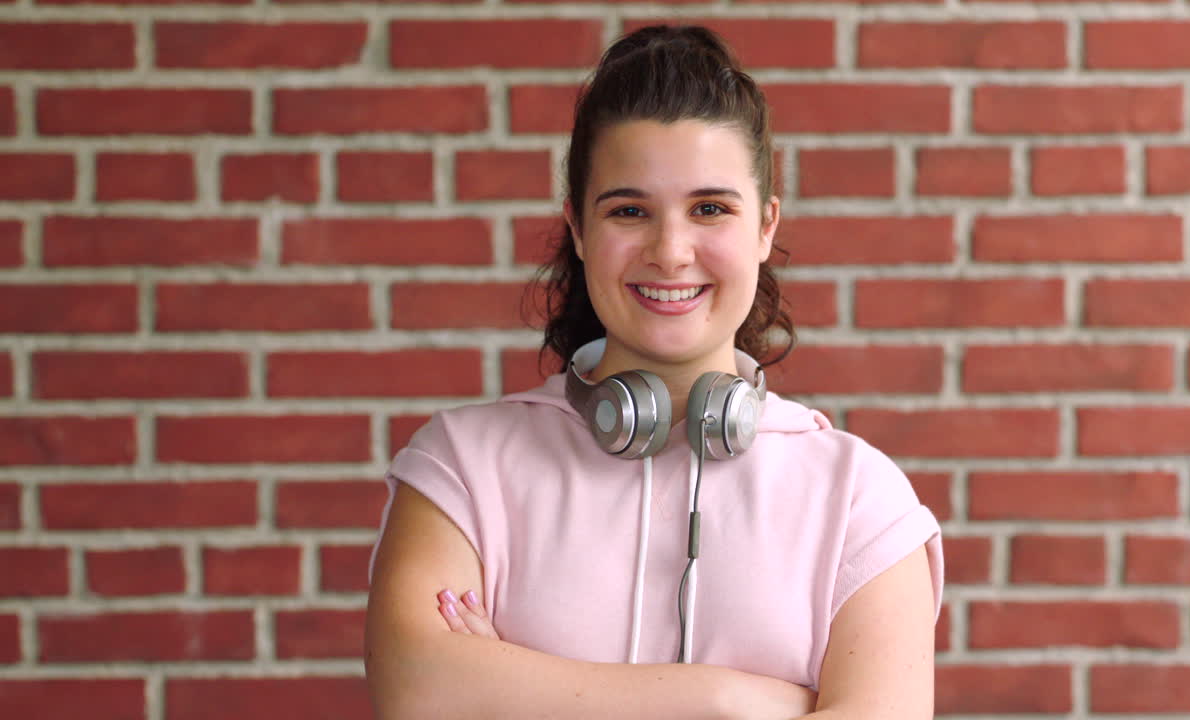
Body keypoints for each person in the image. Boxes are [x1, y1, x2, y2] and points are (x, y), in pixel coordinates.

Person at [365, 25, 944, 720]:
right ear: (578, 228)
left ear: (765, 226)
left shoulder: (860, 502)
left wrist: (514, 689)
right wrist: (739, 701)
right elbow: (419, 692)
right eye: (630, 211)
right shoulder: (461, 470)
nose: (671, 252)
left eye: (709, 209)